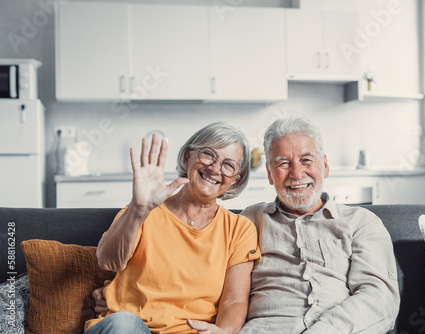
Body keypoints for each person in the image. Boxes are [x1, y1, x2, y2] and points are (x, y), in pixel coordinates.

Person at [93, 116, 400, 333]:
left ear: (325, 166)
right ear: (269, 174)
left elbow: (379, 300)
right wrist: (139, 211)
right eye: (283, 163)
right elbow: (112, 260)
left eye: (307, 160)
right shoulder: (251, 221)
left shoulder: (360, 223)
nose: (296, 173)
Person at [84, 122, 260, 334]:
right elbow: (107, 260)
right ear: (188, 157)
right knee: (125, 326)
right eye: (208, 155)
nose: (214, 168)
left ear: (235, 180)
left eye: (228, 165)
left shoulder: (239, 230)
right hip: (129, 328)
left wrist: (221, 331)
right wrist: (139, 209)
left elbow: (234, 301)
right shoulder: (143, 210)